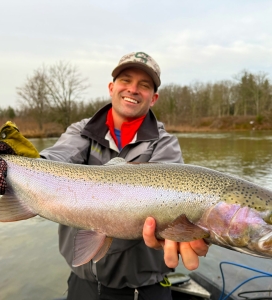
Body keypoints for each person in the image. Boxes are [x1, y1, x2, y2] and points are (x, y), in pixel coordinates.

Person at [38, 51, 209, 300]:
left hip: (145, 289)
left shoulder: (165, 144)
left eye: (144, 85)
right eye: (126, 80)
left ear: (154, 98)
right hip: (82, 284)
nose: (133, 89)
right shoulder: (81, 132)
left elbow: (171, 205)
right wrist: (16, 170)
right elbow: (54, 161)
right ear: (112, 87)